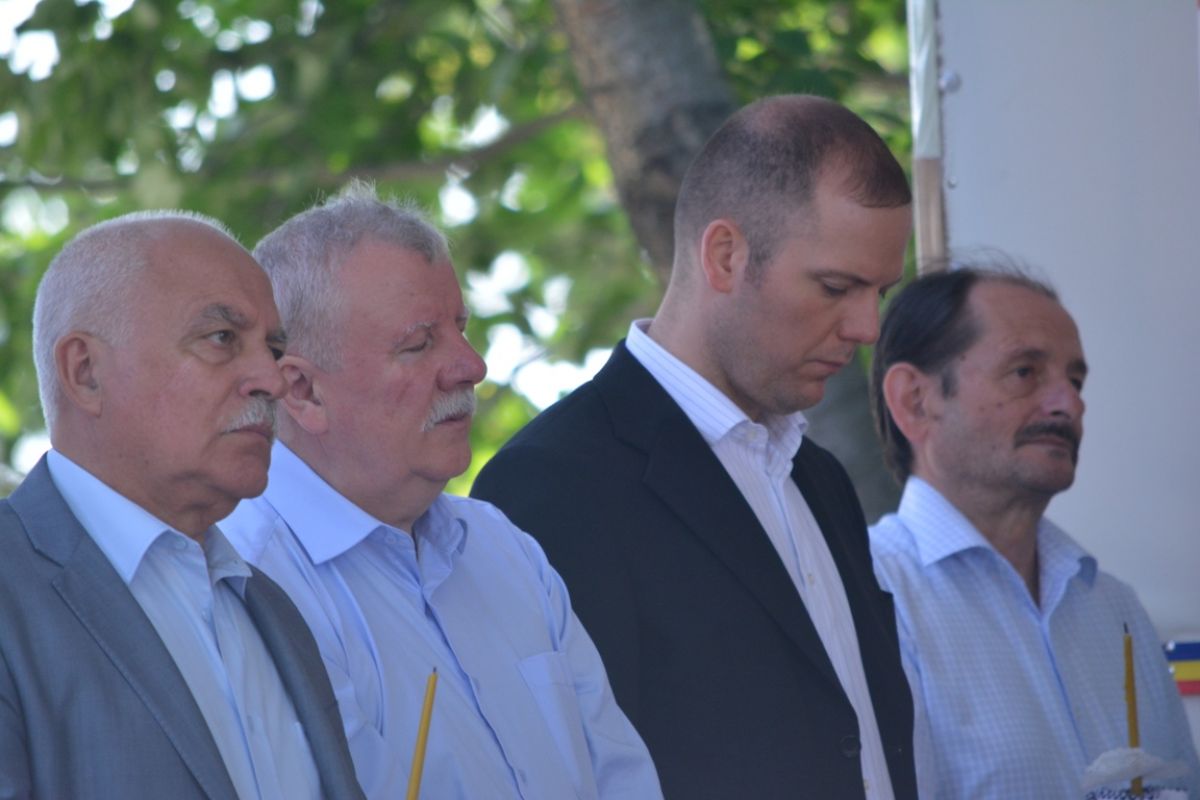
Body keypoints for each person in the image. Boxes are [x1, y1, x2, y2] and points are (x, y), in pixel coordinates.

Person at [472, 94, 918, 799]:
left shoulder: (821, 480)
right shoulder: (553, 483)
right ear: (725, 255)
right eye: (837, 287)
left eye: (881, 293)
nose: (867, 327)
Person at [221, 184, 662, 800]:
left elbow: (623, 780)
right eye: (419, 344)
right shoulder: (247, 582)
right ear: (303, 391)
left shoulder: (501, 546)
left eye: (461, 328)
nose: (471, 366)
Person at [0, 212, 364, 799]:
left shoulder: (270, 608)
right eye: (221, 338)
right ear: (85, 372)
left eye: (273, 348)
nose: (272, 380)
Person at [868, 264, 1200, 798]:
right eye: (1025, 372)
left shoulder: (1112, 607)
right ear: (916, 400)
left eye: (1076, 381)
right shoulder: (868, 595)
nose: (1070, 404)